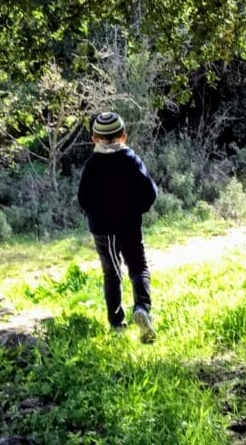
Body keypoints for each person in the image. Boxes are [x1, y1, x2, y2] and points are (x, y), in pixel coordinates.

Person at [77, 111, 158, 342]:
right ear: (123, 136)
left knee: (112, 274)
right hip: (130, 224)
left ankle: (117, 323)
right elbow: (149, 192)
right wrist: (138, 208)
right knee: (139, 268)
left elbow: (83, 199)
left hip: (104, 230)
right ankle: (142, 308)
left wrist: (96, 213)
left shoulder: (92, 165)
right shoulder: (131, 159)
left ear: (94, 139)